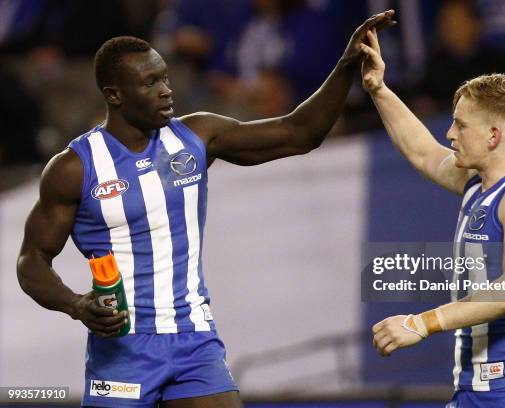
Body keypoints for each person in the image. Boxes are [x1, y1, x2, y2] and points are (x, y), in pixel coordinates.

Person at [16, 10, 396, 408]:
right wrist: (75, 304)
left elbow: (299, 133)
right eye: (150, 83)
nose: (166, 90)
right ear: (115, 95)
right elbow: (32, 260)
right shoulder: (74, 168)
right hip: (121, 354)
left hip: (195, 342)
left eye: (164, 77)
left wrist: (346, 64)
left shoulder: (197, 134)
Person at [360, 29, 505, 407]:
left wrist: (421, 322)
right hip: (477, 393)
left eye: (461, 124)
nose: (450, 133)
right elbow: (422, 152)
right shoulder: (478, 184)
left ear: (493, 135)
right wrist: (379, 89)